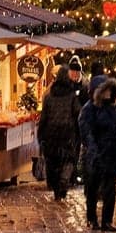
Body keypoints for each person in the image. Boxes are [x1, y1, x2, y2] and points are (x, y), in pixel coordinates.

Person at [78, 77, 116, 231]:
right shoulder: (89, 109)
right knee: (92, 188)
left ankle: (107, 220)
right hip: (96, 154)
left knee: (110, 189)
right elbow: (86, 131)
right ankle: (92, 218)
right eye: (107, 90)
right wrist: (93, 150)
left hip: (111, 153)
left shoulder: (112, 108)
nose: (110, 93)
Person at [38, 67, 82, 200]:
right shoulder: (71, 95)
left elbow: (44, 117)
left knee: (53, 162)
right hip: (67, 133)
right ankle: (64, 180)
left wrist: (41, 134)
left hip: (51, 133)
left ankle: (58, 190)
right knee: (68, 159)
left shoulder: (49, 96)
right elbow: (78, 113)